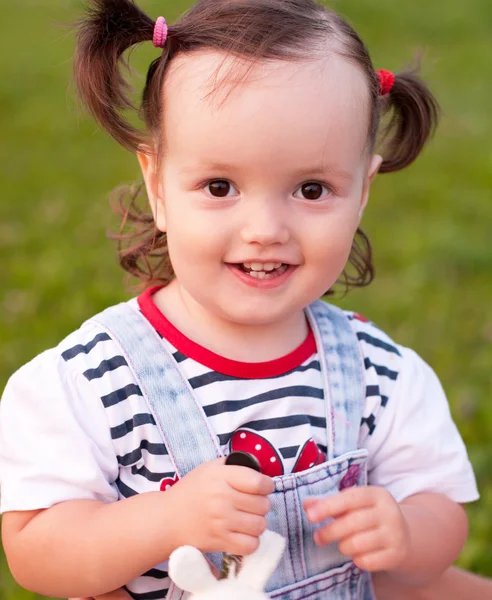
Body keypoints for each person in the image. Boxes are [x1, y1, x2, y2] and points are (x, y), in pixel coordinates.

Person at [0, 1, 480, 599]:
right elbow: (37, 552)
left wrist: (408, 532)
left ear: (362, 191)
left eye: (312, 189)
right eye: (219, 186)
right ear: (158, 186)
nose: (265, 228)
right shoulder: (94, 382)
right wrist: (165, 519)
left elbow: (441, 508)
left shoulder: (379, 372)